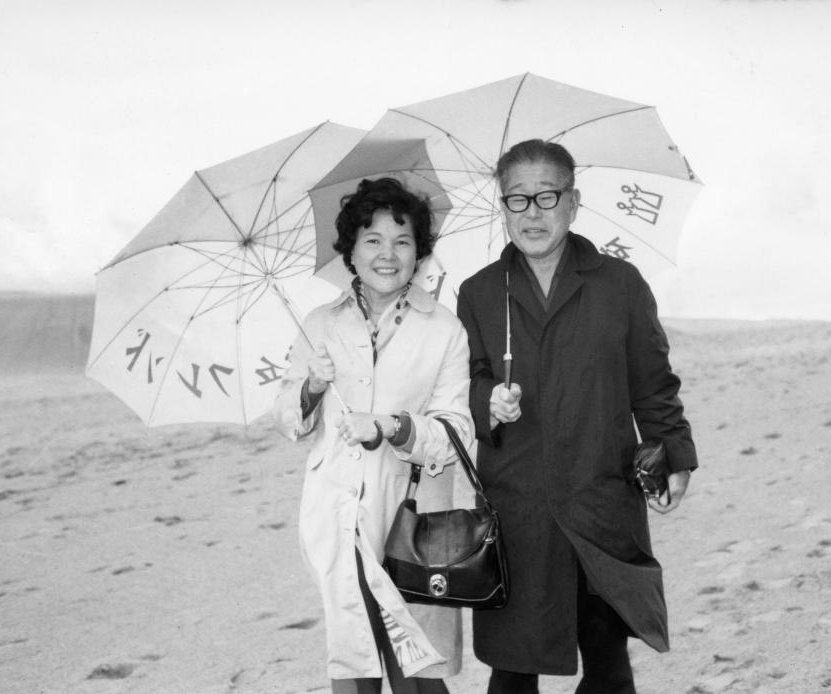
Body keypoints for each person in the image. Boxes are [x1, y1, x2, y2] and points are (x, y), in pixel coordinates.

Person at [456, 140, 698, 694]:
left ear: (573, 201)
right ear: (502, 206)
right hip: (518, 504)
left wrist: (675, 455)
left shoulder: (619, 284)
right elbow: (461, 383)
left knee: (609, 659)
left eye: (547, 196)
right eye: (517, 199)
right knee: (513, 667)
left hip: (601, 496)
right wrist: (487, 398)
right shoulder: (480, 292)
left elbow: (653, 383)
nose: (532, 213)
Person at [274, 177, 474, 693]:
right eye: (373, 240)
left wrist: (392, 426)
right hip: (338, 511)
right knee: (353, 660)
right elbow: (290, 423)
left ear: (419, 252)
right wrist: (313, 387)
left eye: (402, 241)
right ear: (351, 250)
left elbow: (457, 434)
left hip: (414, 520)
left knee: (418, 669)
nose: (388, 254)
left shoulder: (445, 329)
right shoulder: (320, 323)